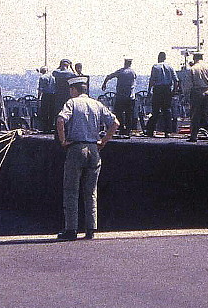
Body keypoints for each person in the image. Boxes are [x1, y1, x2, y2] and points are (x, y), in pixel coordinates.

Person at [55, 76, 119, 240]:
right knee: (91, 192)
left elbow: (61, 120)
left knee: (71, 191)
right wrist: (104, 141)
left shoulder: (72, 103)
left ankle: (71, 230)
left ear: (74, 90)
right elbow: (115, 123)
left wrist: (63, 141)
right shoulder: (97, 104)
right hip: (94, 149)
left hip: (76, 149)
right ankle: (91, 229)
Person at [144, 51, 178, 137]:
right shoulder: (170, 67)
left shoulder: (155, 66)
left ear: (158, 57)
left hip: (158, 90)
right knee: (167, 111)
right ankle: (168, 132)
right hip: (167, 90)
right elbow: (176, 80)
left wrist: (149, 92)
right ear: (165, 58)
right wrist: (174, 90)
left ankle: (150, 130)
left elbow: (151, 80)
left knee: (155, 111)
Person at [186, 52, 208, 143]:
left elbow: (188, 85)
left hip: (197, 91)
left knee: (195, 114)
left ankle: (194, 136)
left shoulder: (193, 69)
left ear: (194, 58)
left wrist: (187, 96)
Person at [103, 57, 137, 138]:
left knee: (118, 113)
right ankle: (128, 131)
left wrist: (104, 84)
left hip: (120, 97)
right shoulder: (133, 73)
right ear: (130, 64)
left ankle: (121, 129)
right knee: (129, 114)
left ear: (125, 63)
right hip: (130, 97)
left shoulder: (120, 72)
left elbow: (109, 76)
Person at [37, 67, 56, 132]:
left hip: (46, 96)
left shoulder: (42, 78)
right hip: (53, 96)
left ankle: (45, 128)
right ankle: (51, 127)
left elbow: (40, 89)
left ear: (41, 71)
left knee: (44, 112)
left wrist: (38, 97)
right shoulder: (53, 77)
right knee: (51, 112)